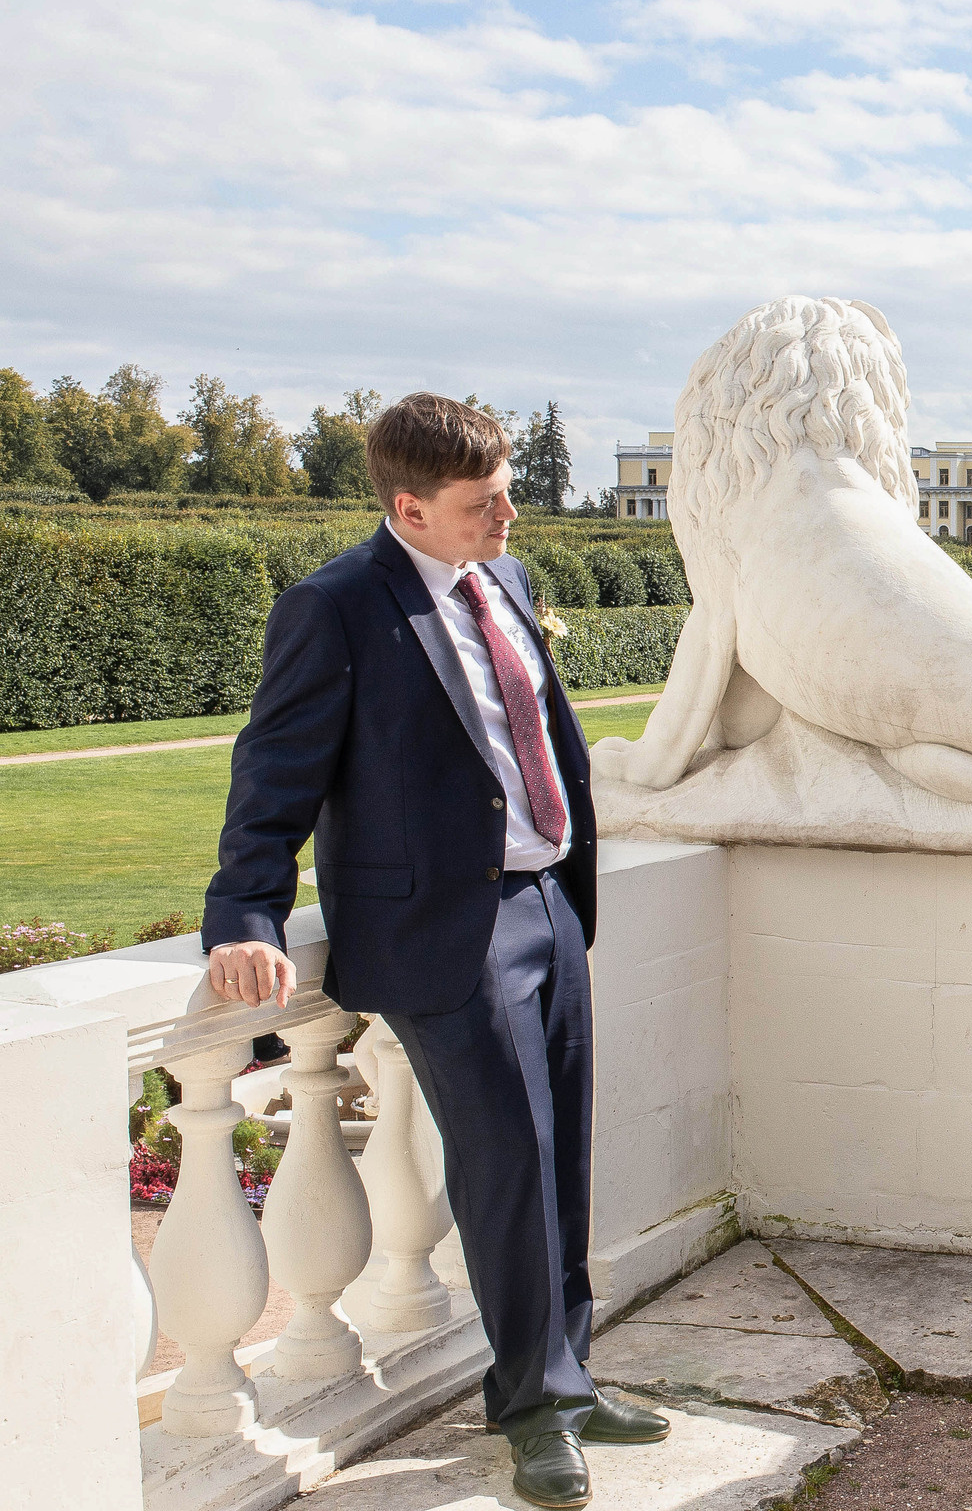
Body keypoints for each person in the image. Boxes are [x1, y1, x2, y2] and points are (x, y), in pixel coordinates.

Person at [199, 394, 661, 1510]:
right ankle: (533, 1412)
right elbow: (274, 776)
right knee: (504, 1164)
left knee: (562, 1156)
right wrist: (244, 917)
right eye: (481, 501)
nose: (509, 514)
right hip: (446, 932)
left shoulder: (502, 578)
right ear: (408, 506)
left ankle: (569, 1369)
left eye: (505, 488)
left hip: (549, 899)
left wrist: (562, 875)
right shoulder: (335, 609)